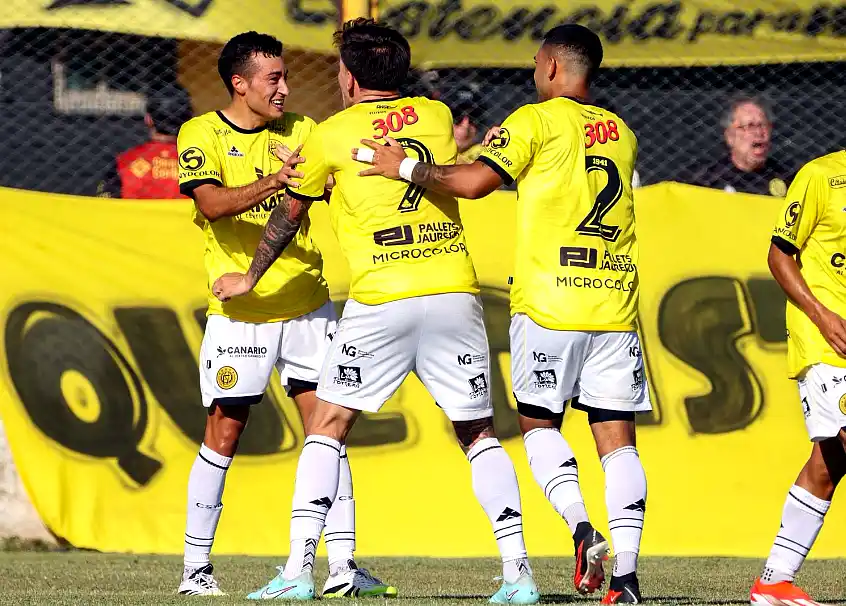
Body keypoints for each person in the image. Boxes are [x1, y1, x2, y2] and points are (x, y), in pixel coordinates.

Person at [214, 18, 540, 604]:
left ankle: (297, 573)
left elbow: (291, 216)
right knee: (479, 434)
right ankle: (519, 576)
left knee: (328, 427)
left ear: (351, 75)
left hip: (380, 301)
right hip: (452, 293)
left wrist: (251, 275)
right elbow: (456, 166)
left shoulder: (329, 136)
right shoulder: (437, 116)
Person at [356, 24, 649, 604]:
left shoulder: (533, 120)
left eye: (538, 61)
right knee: (618, 444)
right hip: (615, 305)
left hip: (550, 303)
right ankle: (629, 579)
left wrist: (406, 169)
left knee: (540, 426)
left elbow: (470, 184)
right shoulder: (623, 132)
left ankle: (581, 525)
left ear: (553, 68)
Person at [175, 31, 394, 599]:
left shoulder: (302, 131)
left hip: (307, 307)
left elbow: (335, 182)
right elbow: (210, 203)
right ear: (238, 83)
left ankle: (342, 569)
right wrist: (277, 178)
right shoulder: (200, 134)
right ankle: (196, 571)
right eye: (272, 79)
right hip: (240, 315)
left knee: (327, 434)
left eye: (286, 77)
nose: (285, 89)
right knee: (223, 433)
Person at [749, 150, 846, 605]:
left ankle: (774, 581)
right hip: (829, 339)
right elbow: (779, 253)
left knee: (827, 466)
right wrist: (821, 313)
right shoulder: (822, 175)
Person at [97, 84, 193, 199]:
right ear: (190, 120)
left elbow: (104, 205)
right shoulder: (204, 165)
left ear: (148, 119)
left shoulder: (124, 163)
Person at [690, 95, 792, 197]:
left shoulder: (787, 178)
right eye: (749, 125)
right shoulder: (708, 182)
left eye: (763, 125)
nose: (759, 132)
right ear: (730, 136)